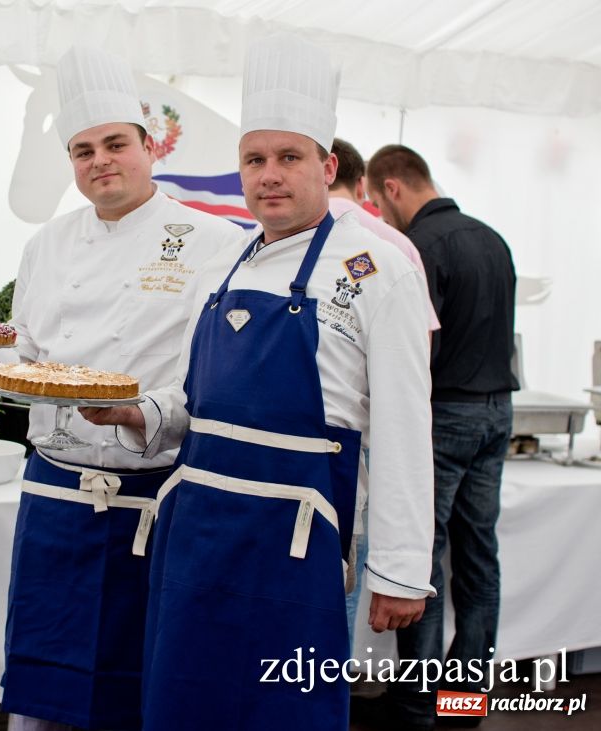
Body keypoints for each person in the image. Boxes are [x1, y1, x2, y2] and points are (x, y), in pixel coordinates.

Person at [82, 33, 436, 729]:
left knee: (283, 710)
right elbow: (198, 400)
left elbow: (403, 427)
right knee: (185, 703)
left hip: (293, 542)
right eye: (255, 160)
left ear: (327, 165)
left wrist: (398, 570)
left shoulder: (378, 269)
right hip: (196, 536)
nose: (269, 174)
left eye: (288, 158)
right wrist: (136, 413)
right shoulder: (226, 260)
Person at [0, 45, 244, 730]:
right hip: (53, 494)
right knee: (43, 683)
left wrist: (138, 411)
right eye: (82, 150)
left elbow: (216, 384)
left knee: (139, 683)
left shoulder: (212, 242)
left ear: (148, 145)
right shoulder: (46, 246)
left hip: (152, 499)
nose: (99, 161)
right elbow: (24, 369)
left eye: (114, 143)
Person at [353, 144, 517, 730]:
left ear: (392, 188)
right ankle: (465, 703)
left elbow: (417, 354)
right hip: (499, 413)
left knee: (419, 558)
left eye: (377, 200)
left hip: (445, 415)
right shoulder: (492, 238)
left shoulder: (422, 247)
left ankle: (419, 702)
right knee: (479, 561)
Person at [328, 137, 441, 653]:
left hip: (346, 445)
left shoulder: (376, 252)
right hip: (361, 437)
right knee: (338, 584)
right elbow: (421, 352)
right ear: (361, 184)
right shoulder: (396, 242)